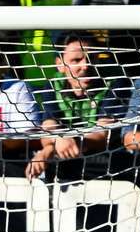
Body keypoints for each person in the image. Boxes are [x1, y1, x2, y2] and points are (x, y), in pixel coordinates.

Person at [25, 35, 131, 179]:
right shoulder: (52, 85)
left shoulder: (116, 83)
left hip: (109, 164)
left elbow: (102, 136)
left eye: (91, 58)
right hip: (67, 158)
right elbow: (49, 126)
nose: (86, 65)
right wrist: (52, 145)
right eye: (76, 60)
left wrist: (57, 144)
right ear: (60, 64)